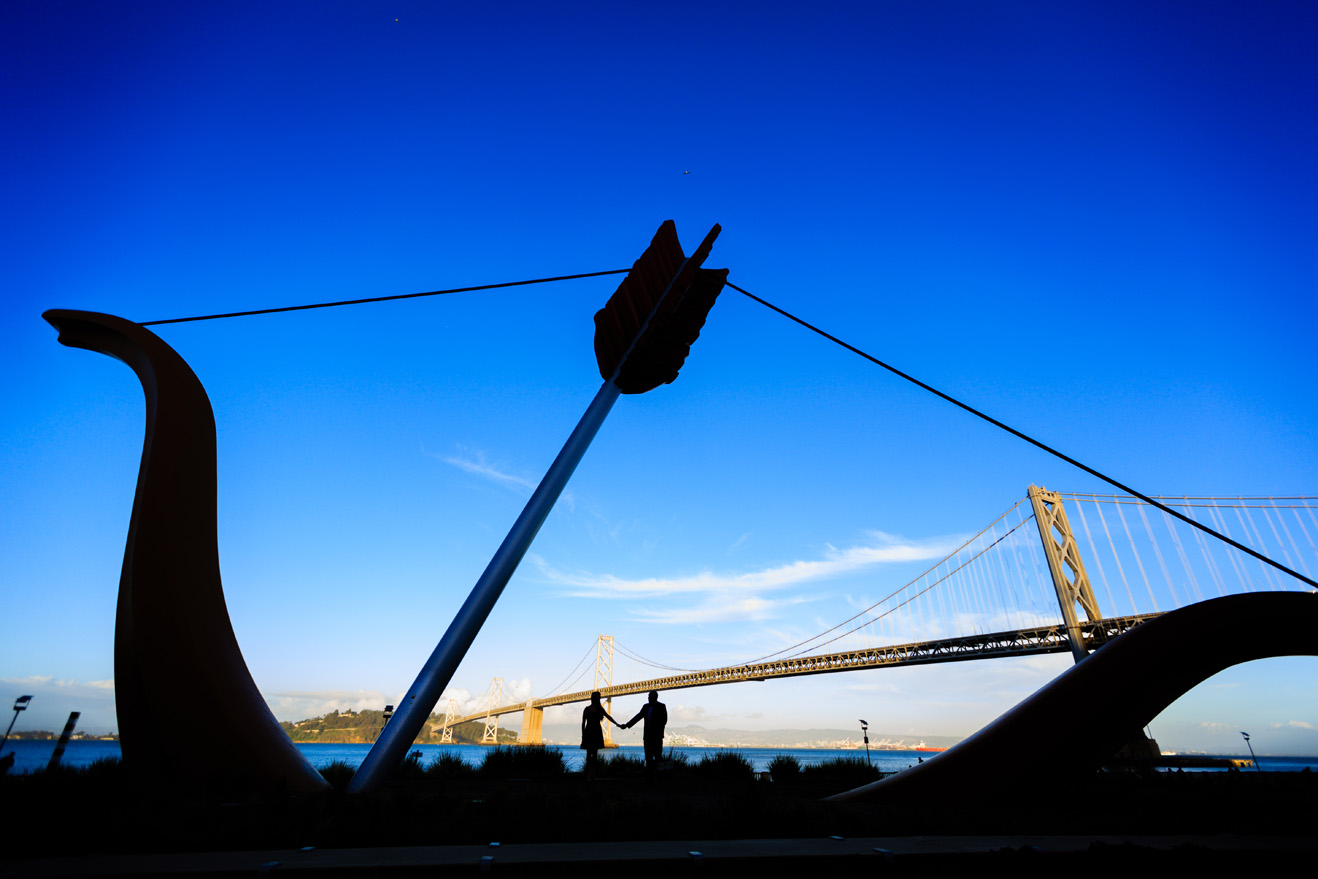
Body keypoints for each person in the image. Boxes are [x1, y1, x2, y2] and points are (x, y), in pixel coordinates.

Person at [623, 690, 668, 773]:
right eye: (648, 696)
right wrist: (627, 725)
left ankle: (660, 777)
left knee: (658, 757)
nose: (648, 697)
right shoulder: (645, 707)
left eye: (650, 696)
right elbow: (638, 717)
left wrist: (657, 730)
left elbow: (664, 721)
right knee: (648, 757)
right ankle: (650, 777)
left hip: (656, 737)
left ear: (655, 697)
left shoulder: (661, 706)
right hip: (647, 737)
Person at [580, 690, 620, 779]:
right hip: (590, 732)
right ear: (593, 698)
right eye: (597, 697)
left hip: (596, 732)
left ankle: (591, 774)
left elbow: (608, 716)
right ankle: (589, 773)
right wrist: (583, 735)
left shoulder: (599, 709)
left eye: (599, 698)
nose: (599, 699)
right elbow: (583, 723)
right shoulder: (587, 709)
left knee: (594, 754)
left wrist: (617, 724)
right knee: (589, 753)